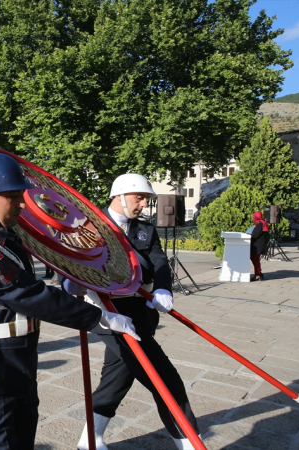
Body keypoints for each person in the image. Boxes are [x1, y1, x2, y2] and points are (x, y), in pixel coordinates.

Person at [0, 153, 137, 450]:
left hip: (17, 361)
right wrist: (98, 317)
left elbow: (38, 276)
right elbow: (28, 295)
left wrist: (75, 277)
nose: (22, 204)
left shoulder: (5, 239)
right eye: (13, 196)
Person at [75, 173, 199, 450]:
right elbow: (70, 262)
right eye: (139, 197)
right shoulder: (89, 227)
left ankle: (89, 439)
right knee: (165, 379)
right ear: (119, 196)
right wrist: (71, 282)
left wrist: (164, 289)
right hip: (106, 312)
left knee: (118, 375)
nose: (143, 204)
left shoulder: (144, 229)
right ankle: (190, 443)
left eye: (146, 199)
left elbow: (159, 261)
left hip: (140, 311)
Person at [249, 211, 270, 281]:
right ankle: (258, 273)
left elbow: (255, 234)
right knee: (255, 260)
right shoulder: (262, 223)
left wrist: (250, 236)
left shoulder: (260, 224)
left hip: (257, 245)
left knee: (255, 260)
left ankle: (258, 274)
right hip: (259, 245)